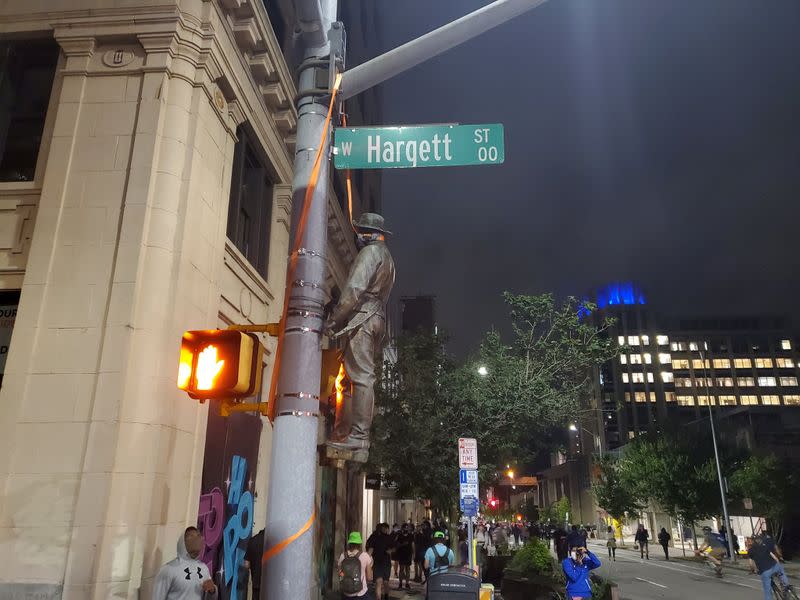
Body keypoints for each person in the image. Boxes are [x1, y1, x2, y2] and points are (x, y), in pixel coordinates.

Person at [325, 213, 396, 452]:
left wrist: (334, 319)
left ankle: (358, 435)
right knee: (348, 379)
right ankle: (345, 433)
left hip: (363, 318)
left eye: (359, 233)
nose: (356, 238)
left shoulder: (371, 253)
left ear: (369, 234)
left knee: (362, 376)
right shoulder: (388, 258)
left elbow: (353, 289)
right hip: (376, 319)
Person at [153, 526, 217, 600]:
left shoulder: (204, 568)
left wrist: (212, 590)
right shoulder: (168, 569)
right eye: (191, 536)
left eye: (198, 536)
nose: (196, 539)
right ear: (182, 541)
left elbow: (210, 597)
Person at [746, 536, 791, 600]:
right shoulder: (763, 546)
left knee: (767, 592)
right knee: (781, 571)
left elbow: (751, 564)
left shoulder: (750, 551)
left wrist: (753, 570)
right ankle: (786, 586)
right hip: (775, 566)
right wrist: (778, 563)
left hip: (765, 572)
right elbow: (774, 556)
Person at [338, 531, 373, 599]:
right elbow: (369, 577)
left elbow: (340, 574)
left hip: (346, 593)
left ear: (349, 543)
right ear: (359, 543)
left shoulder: (343, 555)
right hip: (361, 593)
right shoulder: (365, 556)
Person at [366, 523, 394, 600]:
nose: (385, 530)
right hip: (381, 563)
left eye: (386, 528)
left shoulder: (387, 537)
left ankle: (385, 596)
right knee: (381, 582)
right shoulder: (376, 537)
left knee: (383, 582)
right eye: (384, 528)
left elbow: (394, 547)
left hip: (382, 563)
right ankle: (382, 597)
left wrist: (390, 550)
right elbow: (370, 548)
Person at [244, 528, 264, 599]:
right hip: (270, 586)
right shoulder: (273, 541)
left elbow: (246, 564)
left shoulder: (252, 540)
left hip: (256, 583)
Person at [395, 524, 414, 590]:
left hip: (408, 555)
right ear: (403, 529)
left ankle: (407, 583)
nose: (406, 529)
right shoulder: (400, 536)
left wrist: (414, 554)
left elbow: (412, 545)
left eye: (407, 528)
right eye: (405, 528)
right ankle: (400, 583)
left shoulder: (411, 536)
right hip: (402, 555)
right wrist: (403, 544)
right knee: (401, 569)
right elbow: (397, 545)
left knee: (408, 569)